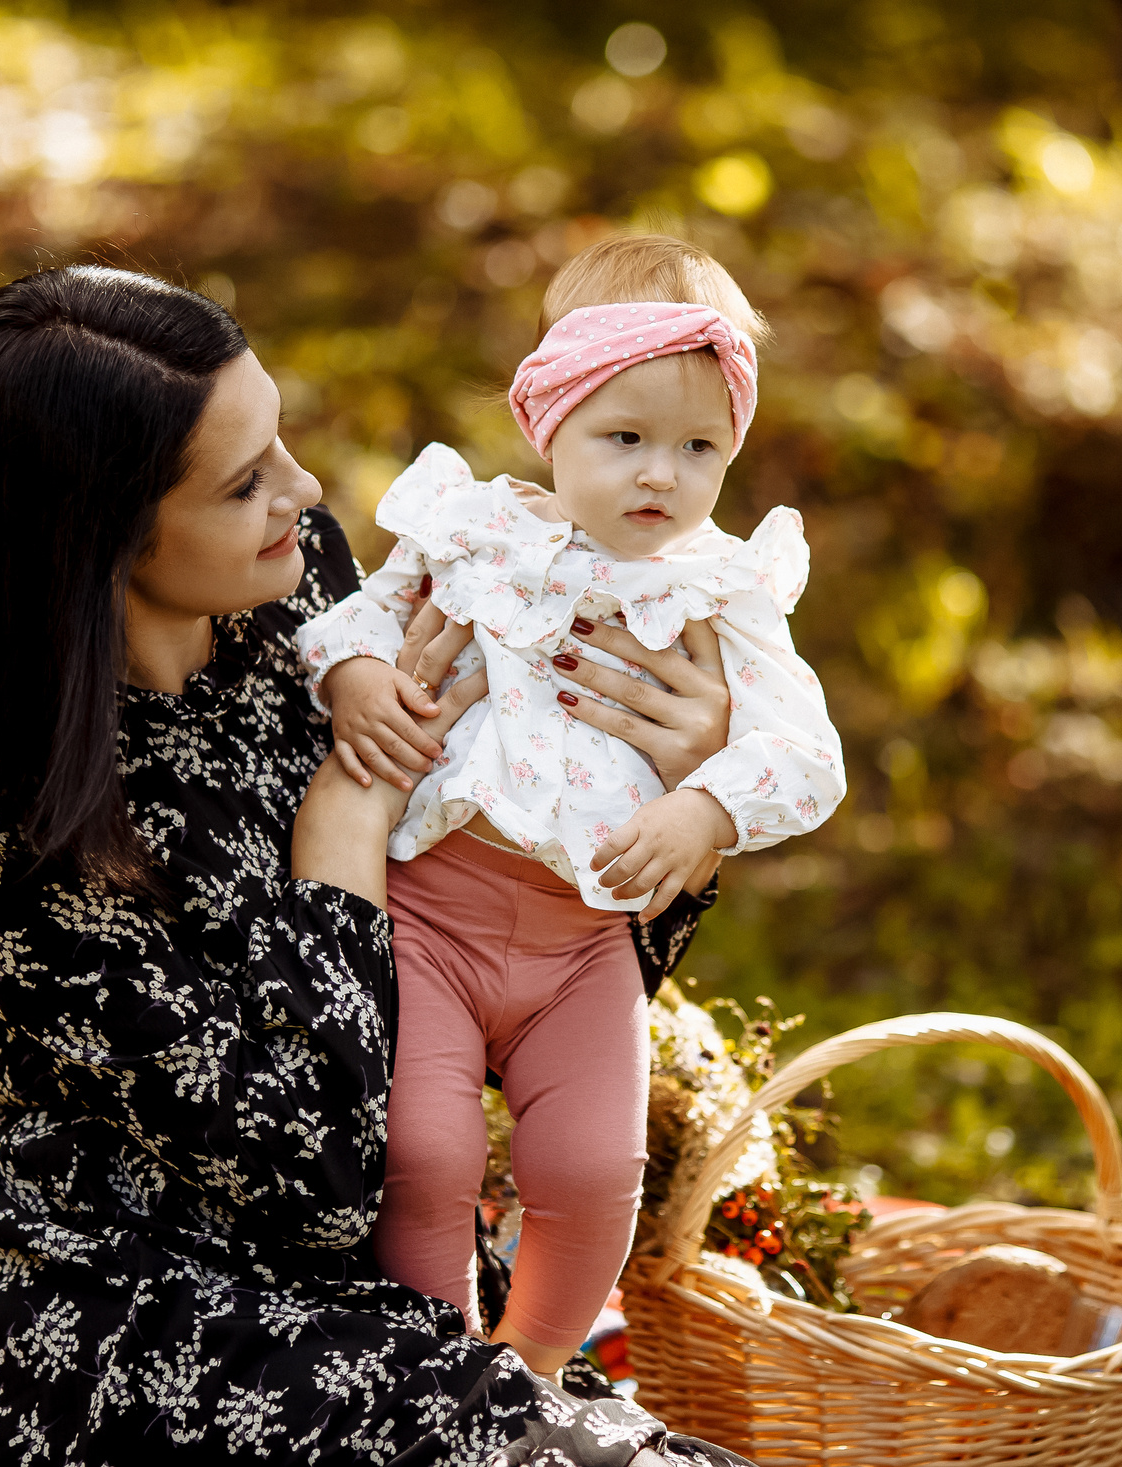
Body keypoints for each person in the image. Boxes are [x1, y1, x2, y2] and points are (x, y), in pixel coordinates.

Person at [0, 265, 751, 1465]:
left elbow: (511, 975)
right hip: (138, 1309)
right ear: (97, 534)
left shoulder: (297, 591)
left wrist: (672, 800)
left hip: (400, 1278)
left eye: (281, 444)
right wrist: (348, 827)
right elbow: (311, 1166)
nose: (304, 493)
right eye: (245, 480)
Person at [296, 234, 846, 1380]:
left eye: (700, 447)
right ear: (549, 420)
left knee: (596, 1171)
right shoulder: (472, 533)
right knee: (425, 1152)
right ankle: (435, 1370)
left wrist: (707, 805)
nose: (662, 475)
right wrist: (354, 677)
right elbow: (353, 616)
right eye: (626, 438)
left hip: (582, 940)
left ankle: (533, 1371)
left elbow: (805, 753)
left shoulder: (723, 589)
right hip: (434, 916)